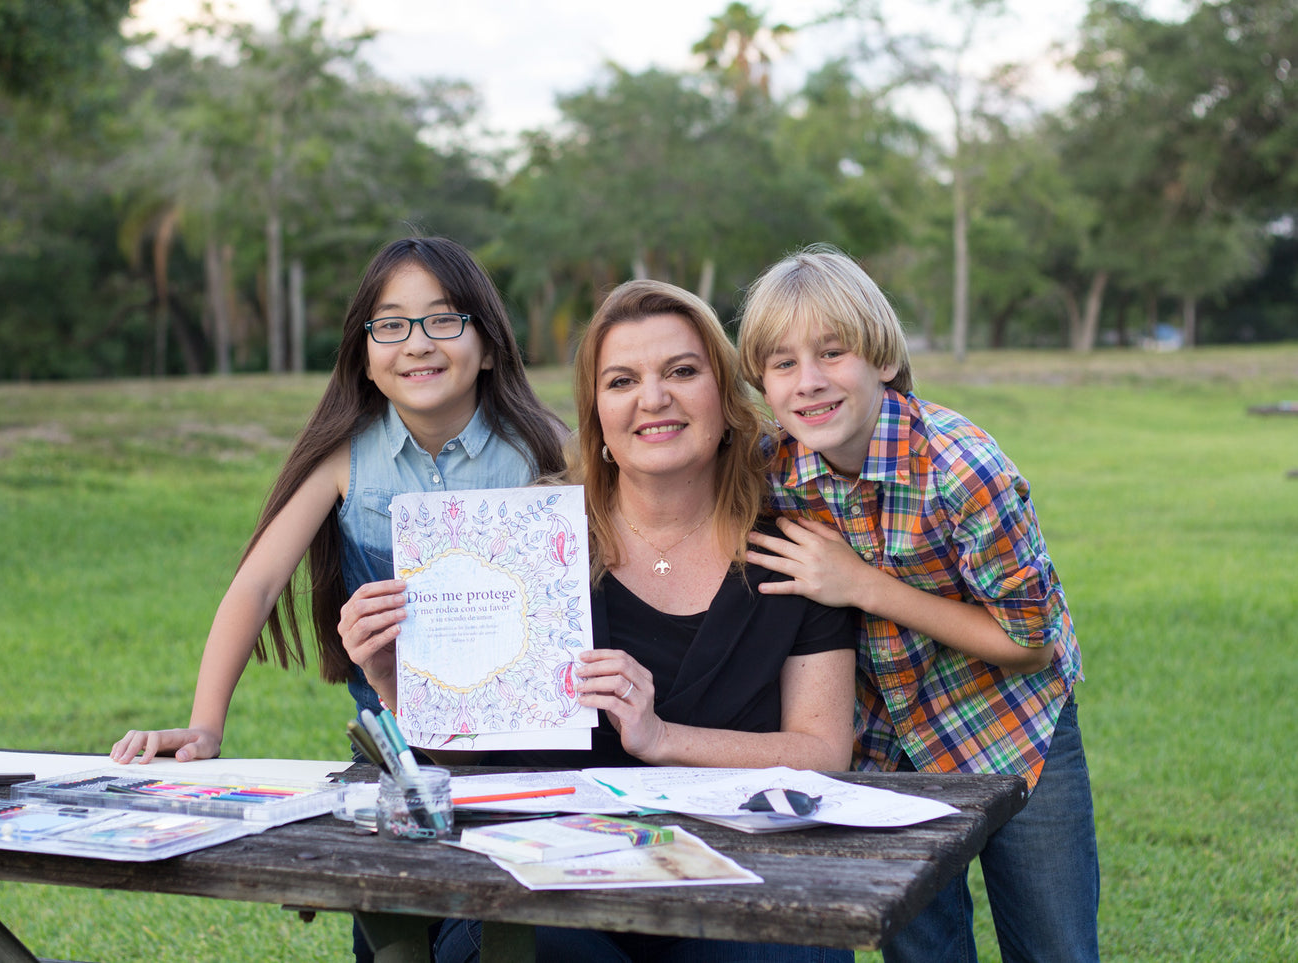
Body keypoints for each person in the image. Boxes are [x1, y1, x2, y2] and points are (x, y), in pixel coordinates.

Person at [341, 279, 859, 963]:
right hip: (548, 884)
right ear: (598, 415)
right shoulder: (526, 540)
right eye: (621, 380)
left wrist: (663, 736)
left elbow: (823, 752)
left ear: (727, 399)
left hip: (738, 882)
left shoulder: (796, 554)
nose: (653, 398)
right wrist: (398, 684)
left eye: (681, 371)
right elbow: (471, 758)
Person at [736, 244, 1099, 963]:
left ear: (879, 356)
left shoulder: (964, 468)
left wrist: (859, 583)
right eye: (782, 363)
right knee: (921, 950)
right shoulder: (774, 471)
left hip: (1010, 725)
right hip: (882, 747)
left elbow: (1030, 640)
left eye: (832, 352)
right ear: (762, 382)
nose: (808, 382)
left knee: (1054, 944)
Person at [109, 236, 567, 766]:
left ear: (488, 347)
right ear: (365, 359)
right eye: (391, 325)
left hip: (535, 750)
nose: (417, 344)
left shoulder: (547, 449)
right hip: (394, 755)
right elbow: (256, 588)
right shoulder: (342, 459)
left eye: (444, 320)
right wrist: (205, 727)